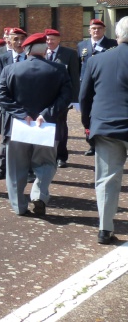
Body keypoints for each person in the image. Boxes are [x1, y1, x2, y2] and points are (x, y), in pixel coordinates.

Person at [0, 32, 71, 217]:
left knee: (15, 168)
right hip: (47, 126)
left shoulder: (10, 70)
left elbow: (2, 97)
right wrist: (45, 114)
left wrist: (22, 114)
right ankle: (38, 193)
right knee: (46, 163)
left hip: (19, 126)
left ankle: (19, 206)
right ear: (45, 49)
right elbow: (66, 97)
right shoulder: (59, 70)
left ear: (27, 49)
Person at [80, 16, 128, 245]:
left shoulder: (97, 61)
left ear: (117, 34)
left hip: (107, 126)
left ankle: (104, 228)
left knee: (107, 179)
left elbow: (84, 97)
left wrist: (88, 125)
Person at [77, 18, 118, 156]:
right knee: (86, 114)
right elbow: (78, 67)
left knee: (101, 114)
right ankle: (91, 143)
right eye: (93, 29)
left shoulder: (113, 44)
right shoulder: (82, 45)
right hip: (86, 86)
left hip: (103, 86)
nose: (96, 31)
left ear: (104, 30)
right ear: (89, 30)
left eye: (99, 29)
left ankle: (105, 142)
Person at [0, 28, 28, 180]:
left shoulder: (30, 57)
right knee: (5, 137)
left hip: (27, 104)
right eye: (16, 39)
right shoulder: (2, 57)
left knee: (27, 138)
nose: (19, 43)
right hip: (7, 104)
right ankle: (1, 167)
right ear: (9, 41)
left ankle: (28, 169)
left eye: (22, 39)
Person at [44, 29, 80, 168]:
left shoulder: (69, 54)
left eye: (52, 39)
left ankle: (61, 156)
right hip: (44, 98)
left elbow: (74, 77)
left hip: (62, 97)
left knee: (60, 126)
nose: (49, 42)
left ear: (59, 40)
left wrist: (75, 98)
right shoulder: (42, 53)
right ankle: (47, 154)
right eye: (47, 39)